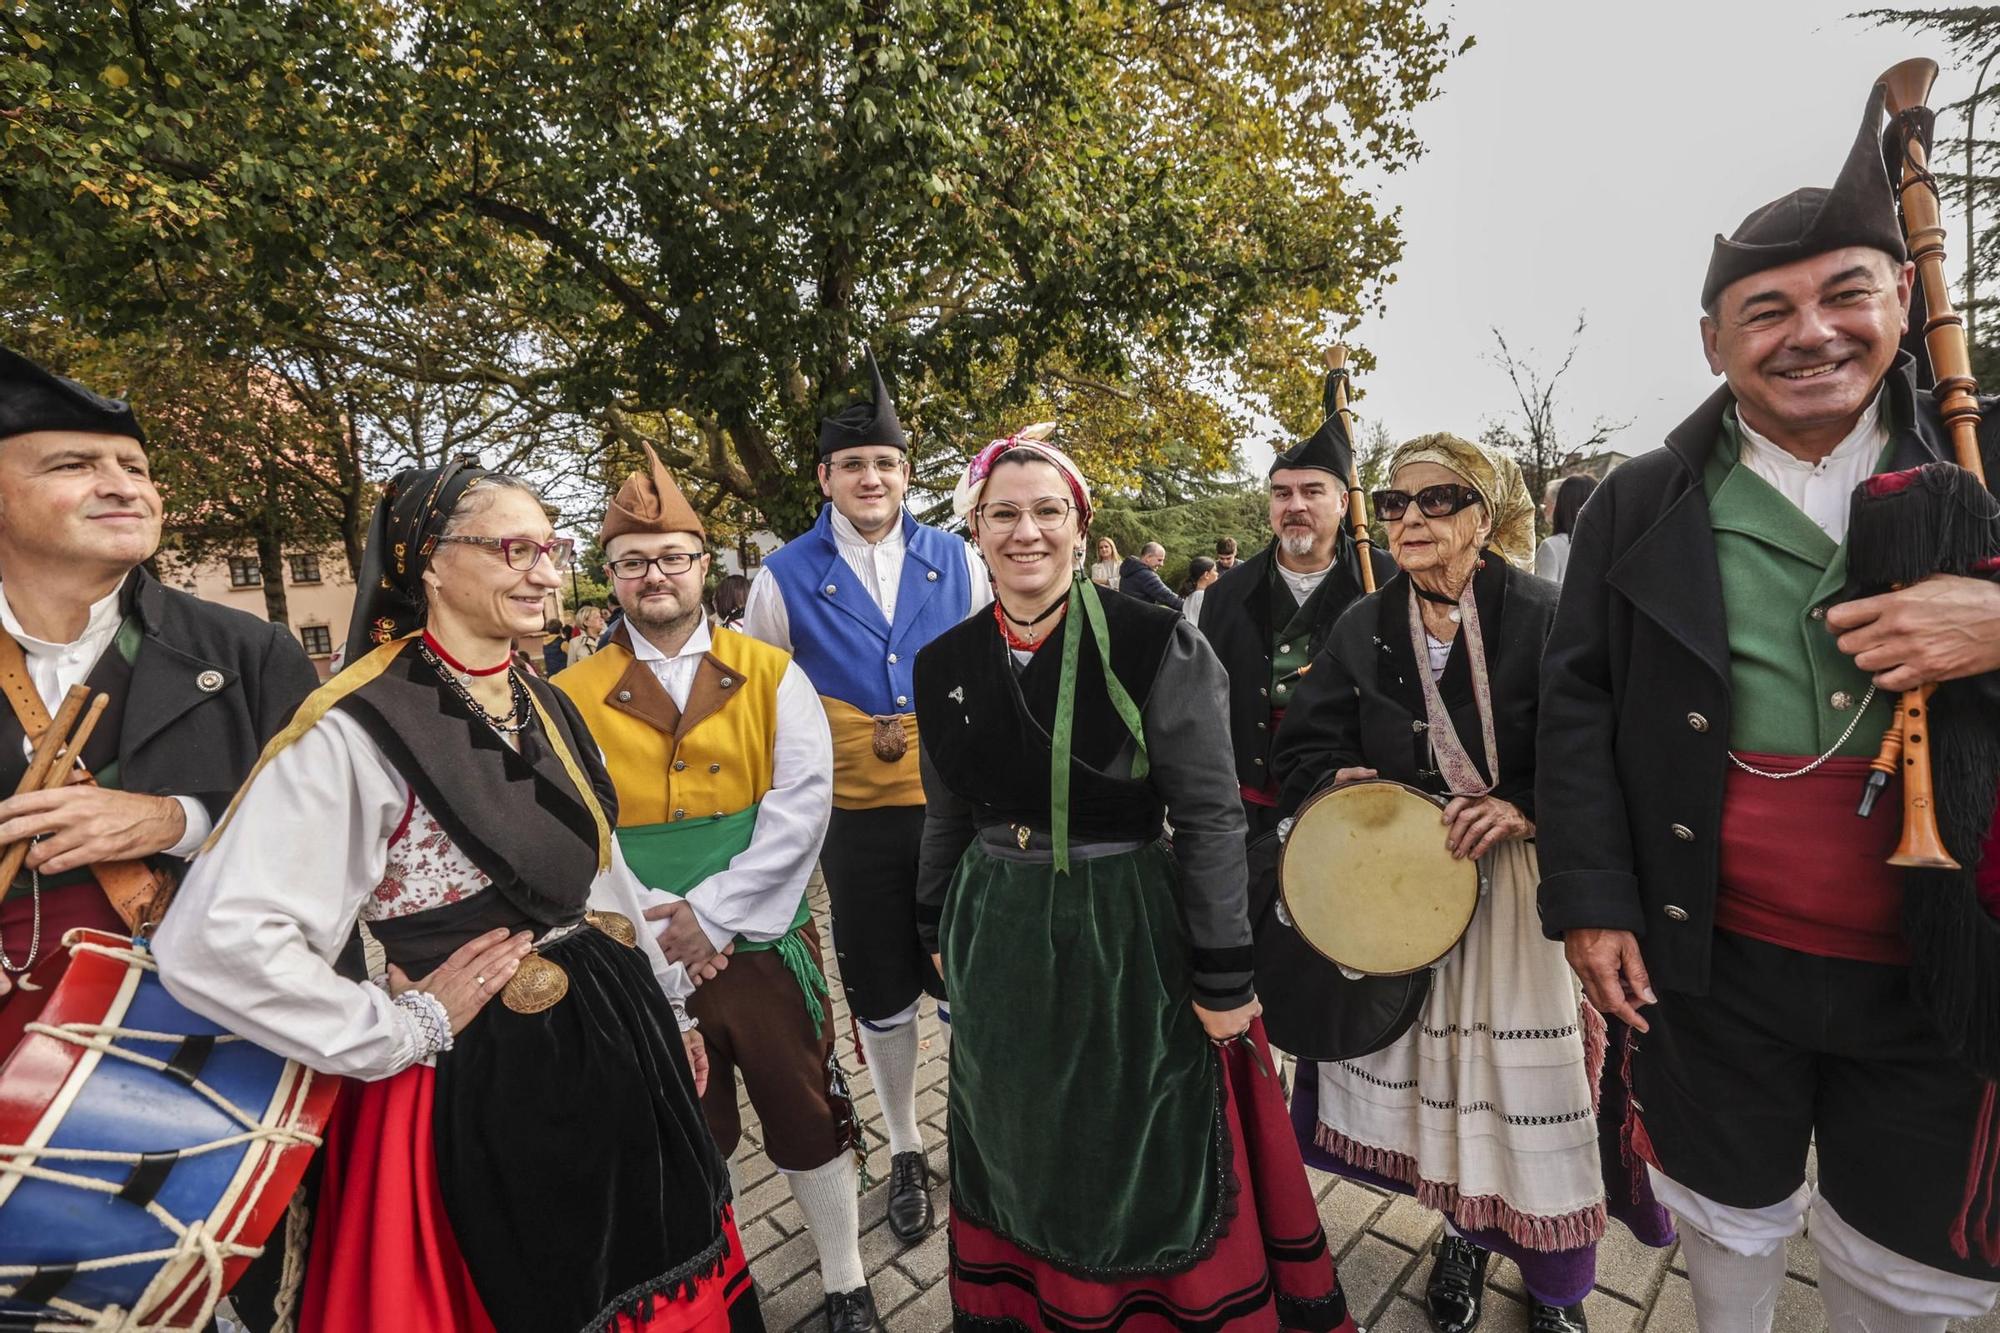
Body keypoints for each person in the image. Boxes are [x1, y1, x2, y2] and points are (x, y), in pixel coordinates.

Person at [1537, 85, 2000, 1332]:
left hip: (1945, 969)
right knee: (1722, 1217)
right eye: (1766, 310)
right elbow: (1573, 706)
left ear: (1900, 301)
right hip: (1708, 958)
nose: (1810, 333)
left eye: (1844, 295)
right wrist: (1589, 902)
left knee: (1905, 1264)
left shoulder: (1979, 459)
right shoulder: (1641, 499)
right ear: (1712, 343)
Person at [154, 459, 758, 1333]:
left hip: (615, 1040)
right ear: (429, 560)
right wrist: (400, 1026)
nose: (547, 572)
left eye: (550, 549)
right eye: (515, 549)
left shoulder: (540, 697)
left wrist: (671, 1008)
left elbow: (599, 872)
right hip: (481, 1082)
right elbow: (213, 941)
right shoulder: (355, 729)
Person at [913, 425, 1355, 1332]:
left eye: (1047, 512)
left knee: (1138, 1138)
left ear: (1082, 526)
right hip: (996, 927)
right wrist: (934, 929)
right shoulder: (944, 662)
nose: (1024, 531)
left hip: (1125, 926)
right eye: (1003, 513)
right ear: (976, 529)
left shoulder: (1154, 642)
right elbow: (946, 814)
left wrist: (1227, 970)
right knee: (1016, 1131)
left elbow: (1209, 815)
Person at [1274, 434, 1601, 1331]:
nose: (1409, 518)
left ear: (1485, 518)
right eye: (1393, 503)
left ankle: (1559, 1288)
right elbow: (1306, 741)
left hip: (1522, 899)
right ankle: (1463, 1234)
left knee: (1529, 1092)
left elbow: (1599, 749)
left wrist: (1524, 806)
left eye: (1437, 499)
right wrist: (1335, 777)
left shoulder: (1545, 613)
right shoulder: (1363, 625)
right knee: (1448, 1090)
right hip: (1409, 899)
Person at [554, 448, 879, 1333]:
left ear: (705, 565)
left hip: (764, 940)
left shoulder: (773, 671)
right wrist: (658, 935)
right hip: (639, 948)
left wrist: (715, 916)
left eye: (670, 557)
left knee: (806, 1106)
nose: (653, 575)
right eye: (632, 561)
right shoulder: (563, 694)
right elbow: (578, 830)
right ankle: (726, 1283)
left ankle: (847, 1278)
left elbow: (803, 803)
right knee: (688, 1126)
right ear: (611, 576)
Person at [742, 347, 988, 1242]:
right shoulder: (782, 576)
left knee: (968, 974)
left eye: (885, 462)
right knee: (880, 988)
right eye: (853, 464)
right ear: (826, 476)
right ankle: (905, 1143)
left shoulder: (960, 560)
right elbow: (759, 701)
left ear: (905, 471)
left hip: (954, 810)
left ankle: (980, 1131)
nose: (871, 476)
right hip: (852, 821)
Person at [0, 345, 319, 1008]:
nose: (124, 486)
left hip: (221, 1033)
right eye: (75, 465)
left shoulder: (252, 653)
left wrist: (179, 819)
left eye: (136, 468)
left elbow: (336, 841)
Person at [1197, 411, 1396, 840]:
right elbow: (1207, 701)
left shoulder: (1389, 581)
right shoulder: (1226, 594)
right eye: (1281, 493)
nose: (1295, 506)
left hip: (1351, 797)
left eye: (1312, 491)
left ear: (1344, 503)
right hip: (1250, 804)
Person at [1533, 475, 1597, 584]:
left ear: (1561, 504)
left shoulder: (1552, 546)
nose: (1544, 510)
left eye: (1546, 504)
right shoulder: (1601, 549)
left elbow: (1542, 596)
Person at [1117, 541, 1183, 610]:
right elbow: (1167, 596)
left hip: (1126, 614)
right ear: (1148, 557)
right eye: (1159, 560)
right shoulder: (1146, 575)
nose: (1162, 564)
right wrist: (1189, 606)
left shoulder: (1131, 568)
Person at [1177, 554, 1218, 621]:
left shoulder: (1189, 595)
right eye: (1215, 570)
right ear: (1206, 575)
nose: (1217, 574)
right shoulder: (1203, 596)